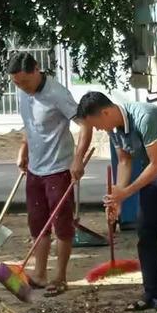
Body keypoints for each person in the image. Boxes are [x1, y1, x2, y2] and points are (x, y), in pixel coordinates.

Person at [76, 91, 157, 313]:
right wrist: (117, 199)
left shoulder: (144, 117)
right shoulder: (114, 128)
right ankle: (151, 294)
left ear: (106, 112)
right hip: (152, 171)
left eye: (96, 124)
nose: (99, 130)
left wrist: (126, 192)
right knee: (144, 230)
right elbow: (124, 161)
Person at [8, 52, 92, 297]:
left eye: (24, 82)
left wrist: (78, 159)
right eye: (16, 83)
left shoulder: (57, 93)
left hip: (58, 169)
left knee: (62, 225)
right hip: (35, 168)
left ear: (36, 70)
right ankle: (39, 274)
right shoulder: (23, 92)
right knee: (37, 223)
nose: (21, 87)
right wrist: (24, 150)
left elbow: (85, 124)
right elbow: (29, 124)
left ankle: (60, 277)